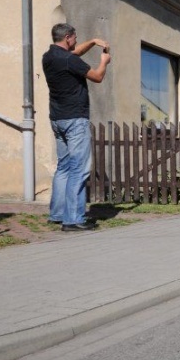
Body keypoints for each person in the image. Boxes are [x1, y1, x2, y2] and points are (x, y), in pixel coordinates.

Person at [42, 23, 111, 231]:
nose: (76, 42)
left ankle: (58, 213)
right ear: (68, 37)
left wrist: (91, 42)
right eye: (75, 38)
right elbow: (97, 77)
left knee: (63, 167)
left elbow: (74, 54)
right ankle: (73, 219)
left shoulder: (50, 56)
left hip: (57, 119)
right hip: (75, 119)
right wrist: (104, 62)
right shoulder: (70, 60)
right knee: (78, 169)